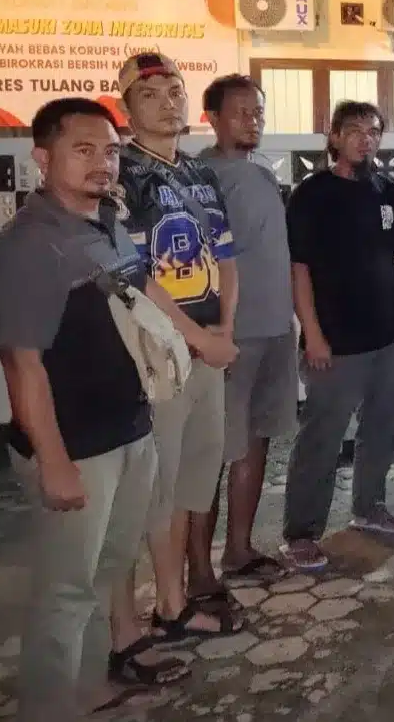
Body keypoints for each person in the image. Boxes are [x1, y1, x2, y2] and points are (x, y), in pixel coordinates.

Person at [0, 98, 233, 719]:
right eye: (83, 149)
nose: (102, 162)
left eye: (110, 151)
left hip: (130, 428)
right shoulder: (29, 246)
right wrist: (53, 461)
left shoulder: (107, 220)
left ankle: (92, 686)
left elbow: (142, 285)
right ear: (42, 158)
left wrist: (198, 339)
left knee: (108, 571)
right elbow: (21, 364)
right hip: (76, 447)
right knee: (65, 595)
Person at [111, 53, 245, 655]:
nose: (167, 103)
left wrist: (225, 330)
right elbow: (136, 274)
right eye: (150, 95)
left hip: (210, 347)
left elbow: (226, 257)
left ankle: (182, 593)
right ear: (126, 109)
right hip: (158, 351)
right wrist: (200, 337)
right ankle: (167, 603)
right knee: (159, 484)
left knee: (197, 471)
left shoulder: (199, 172)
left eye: (175, 91)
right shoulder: (123, 173)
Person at [281, 100, 394, 571]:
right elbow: (299, 269)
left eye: (373, 131)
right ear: (334, 136)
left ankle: (369, 507)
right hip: (334, 341)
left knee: (382, 428)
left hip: (387, 334)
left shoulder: (385, 190)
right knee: (322, 437)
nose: (365, 138)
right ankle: (301, 533)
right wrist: (312, 334)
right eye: (354, 129)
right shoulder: (312, 193)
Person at [193, 74, 294, 596]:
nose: (253, 120)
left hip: (275, 328)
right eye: (241, 112)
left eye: (258, 111)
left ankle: (239, 550)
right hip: (232, 336)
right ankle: (199, 573)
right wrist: (215, 332)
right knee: (212, 453)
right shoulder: (202, 178)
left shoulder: (258, 172)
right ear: (212, 117)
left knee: (256, 441)